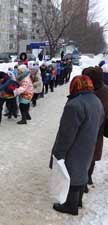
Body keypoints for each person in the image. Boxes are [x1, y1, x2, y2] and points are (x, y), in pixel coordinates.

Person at [50, 75, 104, 216]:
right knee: (82, 170)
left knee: (72, 171)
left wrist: (59, 153)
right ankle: (78, 201)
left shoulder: (75, 105)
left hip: (75, 145)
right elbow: (100, 121)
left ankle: (70, 205)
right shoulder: (96, 100)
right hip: (89, 142)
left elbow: (66, 134)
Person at [82, 67, 108, 191]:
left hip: (94, 129)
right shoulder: (100, 90)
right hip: (94, 129)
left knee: (88, 155)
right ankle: (86, 178)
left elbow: (100, 113)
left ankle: (85, 179)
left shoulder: (102, 92)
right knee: (89, 154)